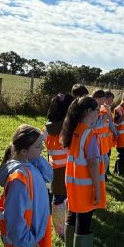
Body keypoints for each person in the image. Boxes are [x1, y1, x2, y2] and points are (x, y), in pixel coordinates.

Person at [0, 124, 53, 247]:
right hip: (22, 240)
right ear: (24, 151)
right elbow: (14, 218)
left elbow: (49, 175)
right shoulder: (18, 180)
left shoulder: (30, 162)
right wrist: (28, 242)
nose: (42, 148)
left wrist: (37, 156)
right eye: (38, 146)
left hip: (28, 235)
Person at [61, 96, 106, 247]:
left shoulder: (74, 130)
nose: (98, 113)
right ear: (88, 111)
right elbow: (93, 163)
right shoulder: (89, 133)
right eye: (97, 110)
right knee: (83, 224)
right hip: (86, 186)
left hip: (73, 184)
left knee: (72, 216)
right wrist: (97, 190)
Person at [41, 93, 74, 237]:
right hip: (69, 166)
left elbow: (42, 141)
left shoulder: (47, 127)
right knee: (64, 196)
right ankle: (62, 228)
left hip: (53, 166)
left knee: (58, 197)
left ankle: (59, 225)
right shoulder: (69, 127)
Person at [103, 90, 118, 175]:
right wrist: (115, 133)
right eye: (110, 99)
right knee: (106, 155)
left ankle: (107, 171)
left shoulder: (108, 109)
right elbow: (109, 124)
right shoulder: (104, 109)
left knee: (108, 154)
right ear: (104, 99)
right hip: (105, 138)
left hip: (108, 137)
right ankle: (105, 173)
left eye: (112, 99)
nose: (112, 101)